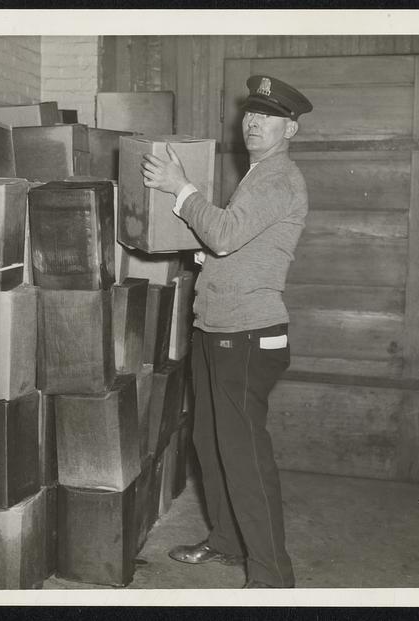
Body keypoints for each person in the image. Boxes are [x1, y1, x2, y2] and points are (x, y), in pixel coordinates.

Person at [141, 75, 313, 588]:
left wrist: (181, 186)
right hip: (216, 328)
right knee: (209, 440)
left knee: (242, 454)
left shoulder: (280, 177)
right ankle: (227, 541)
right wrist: (200, 247)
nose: (254, 123)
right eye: (250, 114)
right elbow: (237, 247)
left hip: (248, 335)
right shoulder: (258, 174)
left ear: (292, 129)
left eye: (268, 116)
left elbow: (225, 234)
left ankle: (271, 576)